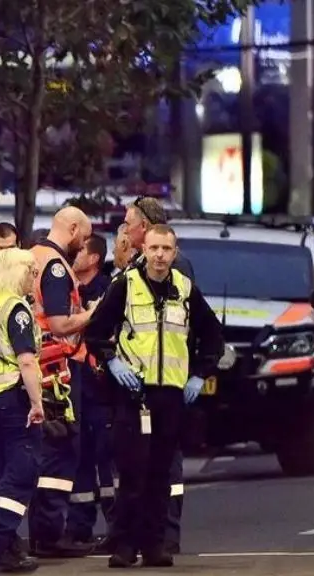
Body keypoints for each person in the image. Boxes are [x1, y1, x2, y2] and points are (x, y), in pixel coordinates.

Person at [84, 224, 226, 567]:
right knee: (132, 472)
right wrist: (113, 361)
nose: (160, 255)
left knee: (160, 472)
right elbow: (97, 331)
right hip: (133, 394)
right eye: (154, 248)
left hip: (171, 395)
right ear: (143, 251)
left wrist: (198, 376)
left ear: (175, 254)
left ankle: (154, 545)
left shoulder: (185, 289)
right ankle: (123, 545)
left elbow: (213, 337)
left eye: (166, 249)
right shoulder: (125, 286)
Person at [28, 207, 97, 558]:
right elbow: (57, 323)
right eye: (82, 239)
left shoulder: (33, 256)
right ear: (72, 229)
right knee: (60, 449)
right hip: (57, 370)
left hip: (41, 366)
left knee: (46, 451)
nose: (82, 247)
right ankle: (50, 534)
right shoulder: (55, 266)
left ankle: (42, 532)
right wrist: (92, 313)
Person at [123, 196, 191, 553]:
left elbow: (189, 329)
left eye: (129, 222)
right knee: (139, 466)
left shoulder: (180, 275)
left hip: (169, 387)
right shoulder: (132, 273)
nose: (125, 229)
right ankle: (139, 538)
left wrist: (195, 375)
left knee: (166, 467)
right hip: (140, 388)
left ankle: (166, 534)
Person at [0, 248, 44, 573]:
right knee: (21, 471)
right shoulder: (17, 309)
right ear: (18, 272)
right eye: (31, 271)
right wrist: (37, 403)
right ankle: (0, 545)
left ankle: (2, 541)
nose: (35, 277)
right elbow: (26, 360)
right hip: (13, 398)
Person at [65, 233, 117, 547]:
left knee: (106, 462)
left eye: (81, 250)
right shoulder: (71, 289)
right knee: (80, 459)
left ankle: (117, 526)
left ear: (94, 258)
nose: (75, 253)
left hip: (100, 389)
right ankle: (79, 527)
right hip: (76, 387)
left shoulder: (107, 290)